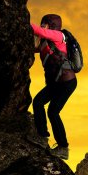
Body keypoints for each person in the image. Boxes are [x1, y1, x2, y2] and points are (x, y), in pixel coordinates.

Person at [29, 14, 77, 160]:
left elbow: (39, 31)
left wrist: (22, 19)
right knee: (38, 102)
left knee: (53, 112)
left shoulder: (58, 36)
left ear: (51, 25)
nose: (42, 26)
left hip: (67, 83)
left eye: (45, 23)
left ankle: (63, 148)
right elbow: (35, 45)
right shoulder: (45, 42)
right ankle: (42, 137)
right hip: (56, 83)